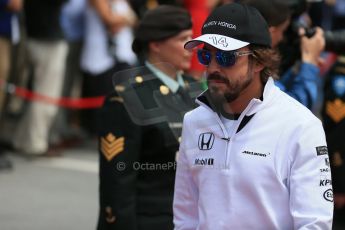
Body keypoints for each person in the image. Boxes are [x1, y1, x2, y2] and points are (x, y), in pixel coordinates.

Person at [173, 3, 333, 229]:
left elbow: (314, 223)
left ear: (259, 61)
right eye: (205, 56)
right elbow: (185, 218)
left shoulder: (301, 126)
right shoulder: (193, 121)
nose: (213, 67)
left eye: (226, 57)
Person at [97, 5, 199, 230]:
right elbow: (118, 183)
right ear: (156, 44)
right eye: (184, 39)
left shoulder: (196, 92)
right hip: (150, 220)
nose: (191, 47)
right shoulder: (126, 99)